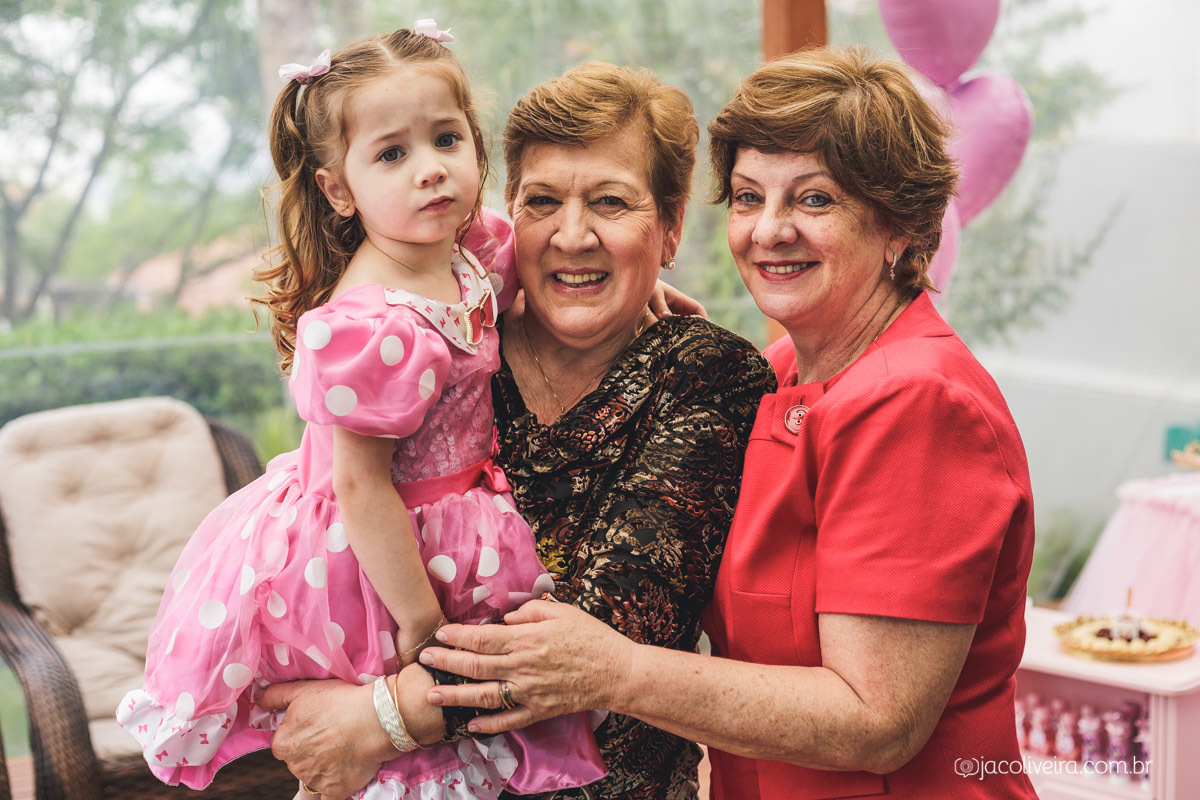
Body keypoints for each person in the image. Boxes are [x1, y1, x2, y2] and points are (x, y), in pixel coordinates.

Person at [419, 47, 1040, 800]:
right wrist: (628, 311)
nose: (770, 230)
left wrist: (614, 669)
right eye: (749, 198)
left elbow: (878, 719)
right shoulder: (781, 374)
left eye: (814, 200)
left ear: (902, 227)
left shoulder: (919, 401)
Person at [116, 23, 610, 800]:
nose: (430, 171)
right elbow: (360, 487)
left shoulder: (469, 249)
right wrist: (419, 625)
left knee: (441, 753)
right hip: (377, 555)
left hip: (457, 520)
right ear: (338, 188)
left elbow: (548, 266)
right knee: (393, 755)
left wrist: (639, 287)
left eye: (446, 139)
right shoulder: (371, 326)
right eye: (392, 154)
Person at [260, 62, 776, 800]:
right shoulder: (455, 336)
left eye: (610, 203)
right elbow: (351, 502)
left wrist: (381, 717)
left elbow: (607, 628)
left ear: (670, 227)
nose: (572, 235)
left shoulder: (707, 374)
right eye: (543, 202)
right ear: (508, 212)